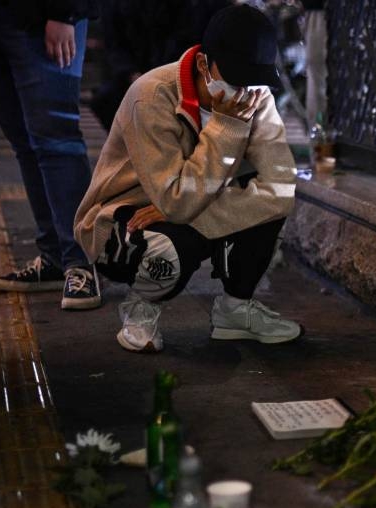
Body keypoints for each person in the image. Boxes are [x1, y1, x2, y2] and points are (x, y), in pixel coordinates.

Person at [74, 3, 301, 352]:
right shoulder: (151, 95)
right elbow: (176, 200)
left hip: (182, 205)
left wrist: (191, 209)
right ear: (202, 65)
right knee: (171, 248)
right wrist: (227, 127)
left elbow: (281, 187)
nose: (243, 92)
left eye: (252, 79)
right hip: (127, 214)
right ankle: (141, 308)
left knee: (268, 208)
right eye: (234, 76)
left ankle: (235, 310)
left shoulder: (257, 95)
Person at [0, 0, 103, 310]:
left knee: (56, 139)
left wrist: (64, 12)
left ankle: (81, 261)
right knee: (24, 143)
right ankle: (54, 255)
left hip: (41, 16)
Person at [90, 0, 232, 132]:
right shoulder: (118, 5)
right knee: (107, 100)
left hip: (188, 74)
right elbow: (115, 46)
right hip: (136, 76)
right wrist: (133, 75)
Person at [301, 0, 327, 128]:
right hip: (317, 11)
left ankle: (320, 132)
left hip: (322, 12)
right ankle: (319, 132)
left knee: (317, 69)